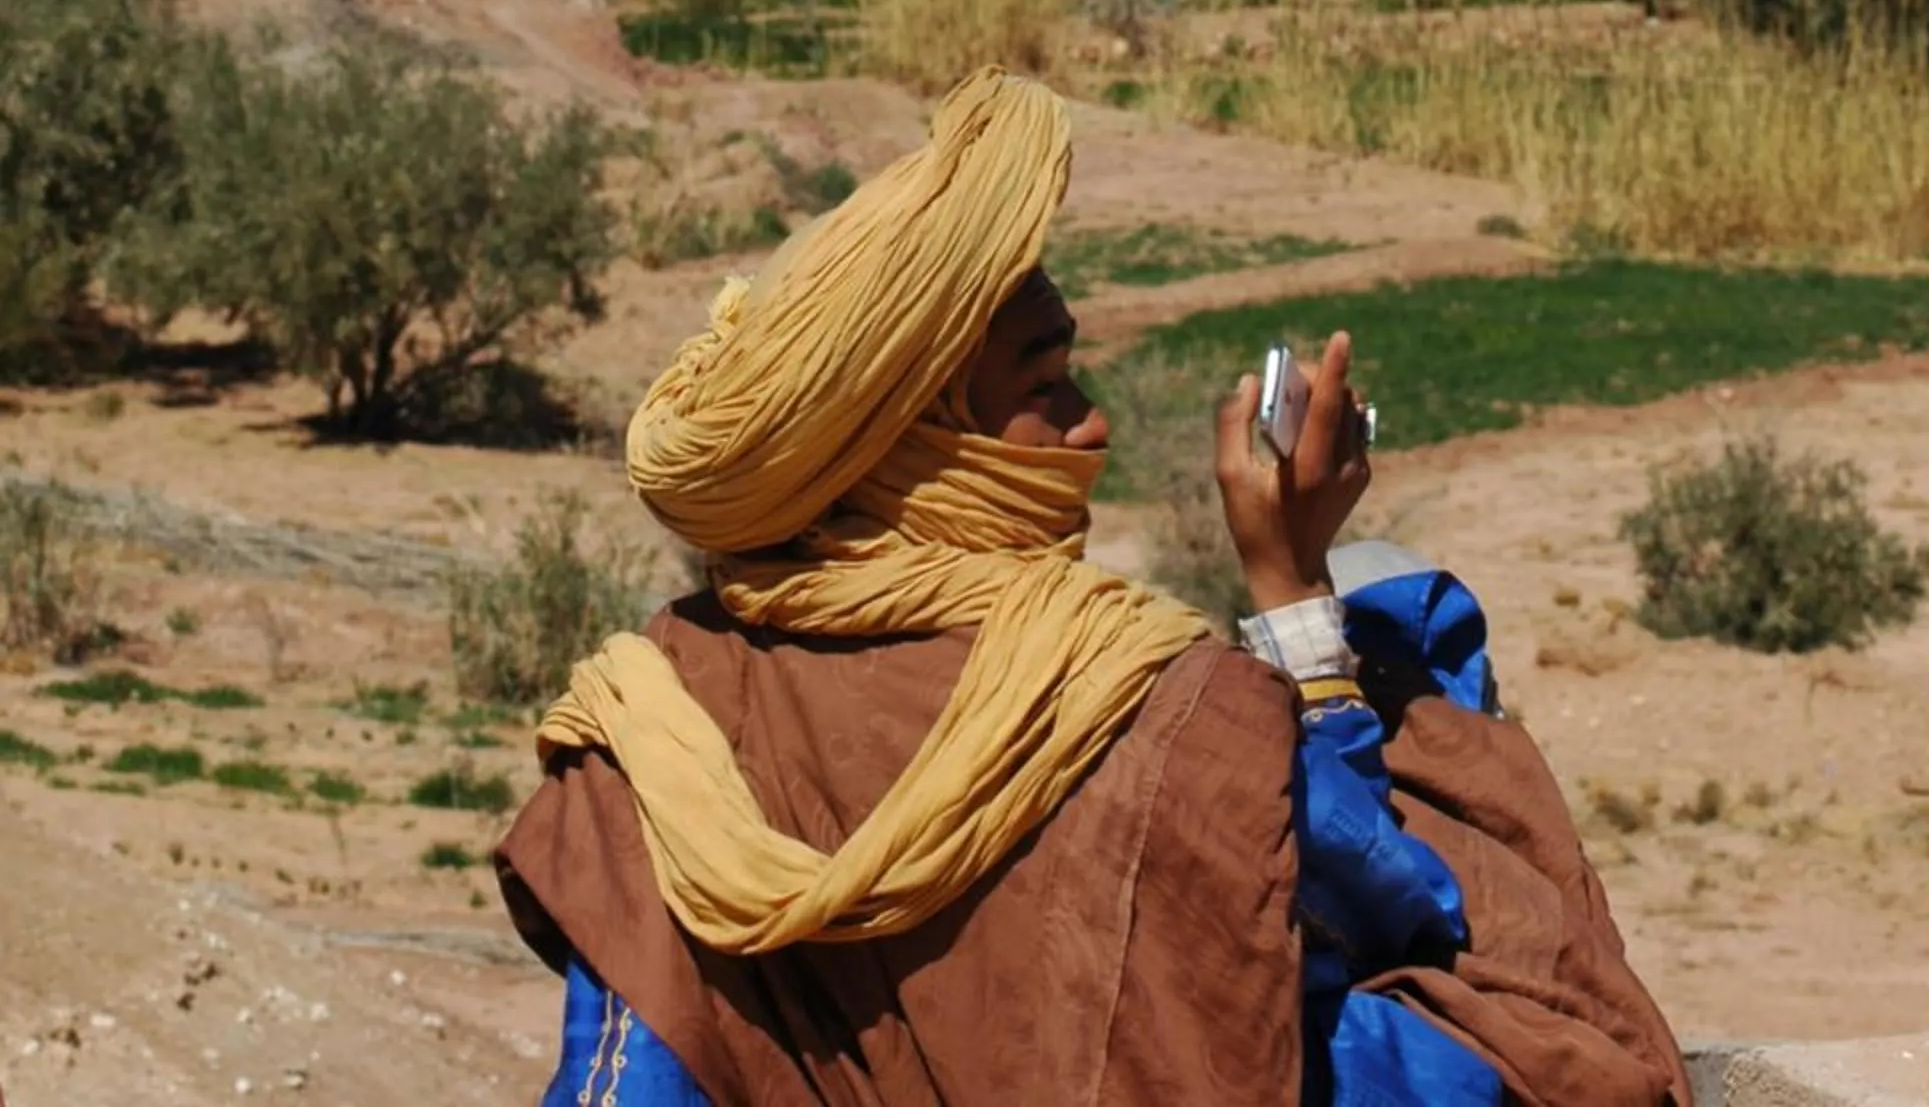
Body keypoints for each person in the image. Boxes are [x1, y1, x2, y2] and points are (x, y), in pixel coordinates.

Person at [501, 69, 1691, 1106]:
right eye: (1046, 387)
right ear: (916, 442)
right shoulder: (1148, 703)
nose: (1092, 426)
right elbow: (1394, 902)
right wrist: (1294, 594)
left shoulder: (652, 718)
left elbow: (624, 1074)